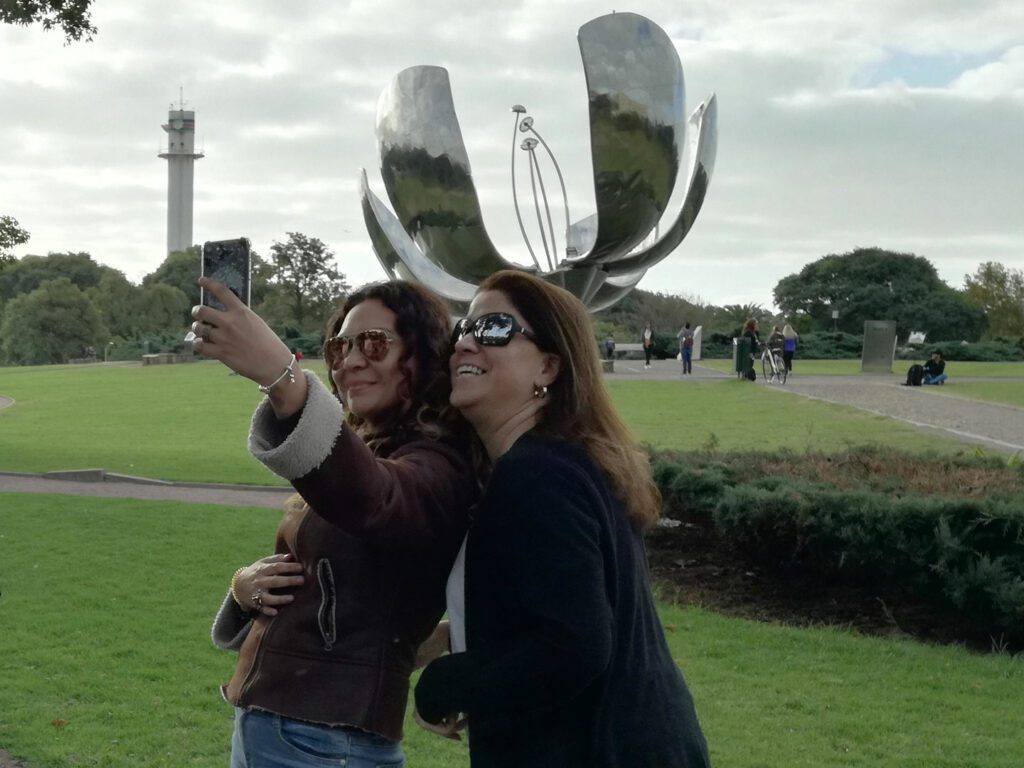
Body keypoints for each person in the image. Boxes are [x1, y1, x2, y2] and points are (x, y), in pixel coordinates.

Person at [414, 271, 711, 768]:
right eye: (463, 329)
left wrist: (445, 683)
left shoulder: (537, 474)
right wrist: (456, 635)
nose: (465, 343)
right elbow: (562, 607)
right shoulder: (564, 463)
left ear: (548, 366)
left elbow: (573, 647)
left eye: (494, 329)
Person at [190, 278, 475, 768]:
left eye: (375, 343)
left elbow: (376, 500)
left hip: (321, 742)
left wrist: (284, 380)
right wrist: (243, 590)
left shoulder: (436, 464)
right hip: (287, 728)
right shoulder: (377, 451)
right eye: (339, 346)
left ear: (425, 356)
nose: (350, 360)